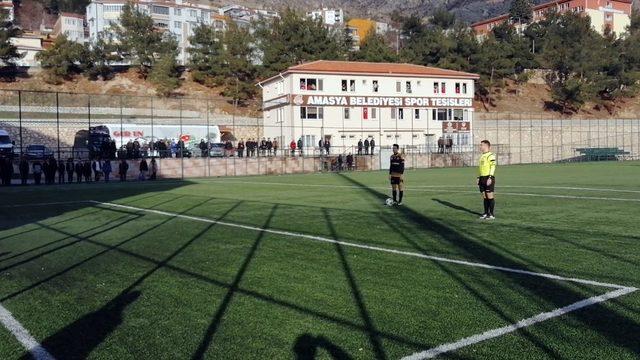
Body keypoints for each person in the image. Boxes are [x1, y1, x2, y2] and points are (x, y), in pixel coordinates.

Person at [477, 140, 497, 220]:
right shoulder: (482, 156)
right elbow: (480, 168)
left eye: (481, 145)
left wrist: (490, 177)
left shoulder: (490, 156)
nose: (480, 146)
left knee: (490, 197)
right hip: (482, 178)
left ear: (486, 146)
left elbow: (493, 166)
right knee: (485, 197)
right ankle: (486, 213)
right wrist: (478, 177)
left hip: (488, 178)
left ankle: (491, 214)